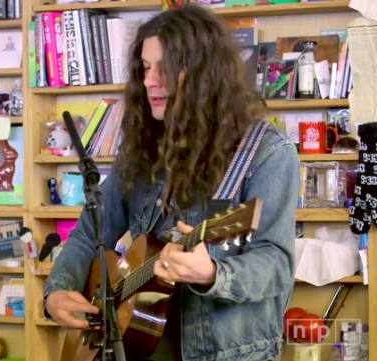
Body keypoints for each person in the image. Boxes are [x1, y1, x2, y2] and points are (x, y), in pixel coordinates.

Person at [44, 4, 299, 361]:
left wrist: (212, 273)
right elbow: (90, 234)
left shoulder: (267, 154)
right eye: (146, 68)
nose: (149, 80)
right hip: (135, 348)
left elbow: (276, 265)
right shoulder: (141, 149)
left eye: (164, 67)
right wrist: (58, 290)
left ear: (202, 72)